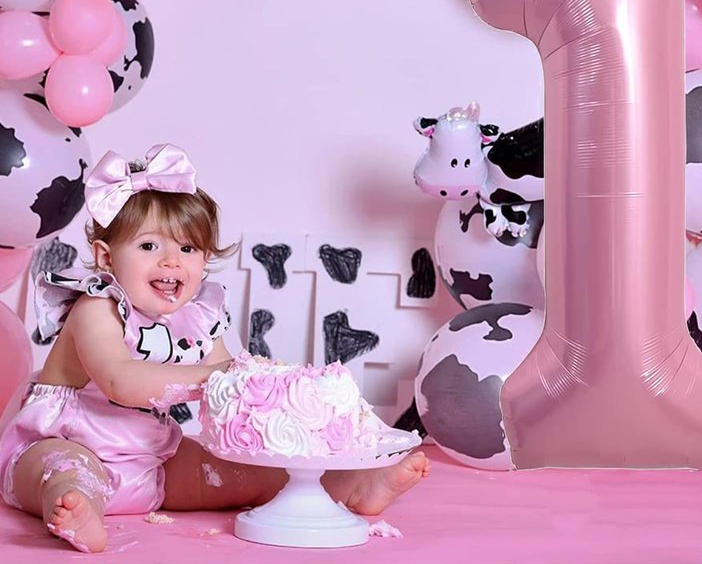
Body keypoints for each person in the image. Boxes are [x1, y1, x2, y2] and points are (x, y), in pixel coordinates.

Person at [0, 144, 429, 553]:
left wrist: (269, 390)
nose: (171, 261)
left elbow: (229, 381)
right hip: (69, 441)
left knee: (243, 470)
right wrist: (215, 377)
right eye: (149, 246)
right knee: (62, 471)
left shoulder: (198, 315)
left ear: (204, 259)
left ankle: (348, 486)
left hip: (152, 460)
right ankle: (79, 510)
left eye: (187, 248)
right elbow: (120, 380)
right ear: (107, 258)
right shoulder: (96, 307)